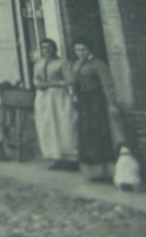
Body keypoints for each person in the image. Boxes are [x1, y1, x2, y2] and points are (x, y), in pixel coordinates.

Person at [68, 39, 121, 183]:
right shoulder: (77, 64)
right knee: (87, 134)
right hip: (84, 101)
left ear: (90, 49)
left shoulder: (98, 64)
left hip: (96, 100)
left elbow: (107, 84)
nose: (81, 53)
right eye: (77, 50)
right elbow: (72, 81)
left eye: (83, 49)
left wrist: (111, 102)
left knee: (100, 132)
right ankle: (93, 171)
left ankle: (106, 170)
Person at [32, 38, 78, 171]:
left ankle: (70, 157)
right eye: (44, 48)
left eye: (49, 47)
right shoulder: (38, 64)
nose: (46, 50)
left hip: (59, 96)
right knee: (48, 125)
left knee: (64, 124)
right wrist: (38, 84)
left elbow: (70, 80)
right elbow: (36, 78)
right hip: (43, 97)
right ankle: (56, 156)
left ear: (55, 48)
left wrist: (54, 84)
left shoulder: (62, 63)